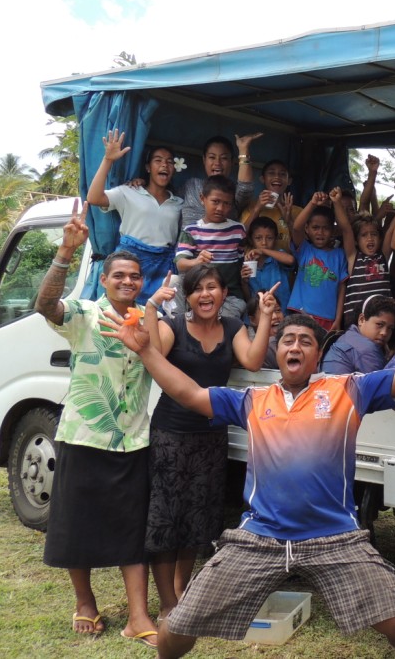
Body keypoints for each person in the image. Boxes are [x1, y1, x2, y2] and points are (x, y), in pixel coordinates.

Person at [102, 286, 395, 659]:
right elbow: (188, 393)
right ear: (277, 352)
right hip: (260, 537)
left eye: (305, 342)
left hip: (334, 537)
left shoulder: (348, 390)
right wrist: (147, 352)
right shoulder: (251, 400)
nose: (295, 346)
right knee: (175, 631)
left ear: (316, 356)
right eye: (288, 340)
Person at [33, 201, 158, 646]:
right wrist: (66, 251)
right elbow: (45, 304)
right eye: (119, 275)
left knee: (133, 529)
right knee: (76, 524)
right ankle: (85, 602)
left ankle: (138, 616)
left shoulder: (149, 321)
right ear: (103, 280)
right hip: (83, 436)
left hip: (133, 440)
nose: (128, 281)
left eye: (135, 276)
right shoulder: (83, 315)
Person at [142, 266, 279, 620]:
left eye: (212, 287)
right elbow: (152, 356)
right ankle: (167, 603)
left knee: (197, 517)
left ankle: (182, 590)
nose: (205, 294)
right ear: (187, 297)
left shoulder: (233, 327)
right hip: (171, 434)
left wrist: (265, 316)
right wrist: (152, 307)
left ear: (224, 293)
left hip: (212, 435)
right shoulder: (173, 326)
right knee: (167, 518)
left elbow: (252, 360)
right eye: (197, 289)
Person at [86, 129, 183, 304]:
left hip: (163, 267)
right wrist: (108, 159)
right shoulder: (128, 192)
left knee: (157, 313)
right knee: (122, 310)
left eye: (169, 162)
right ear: (148, 167)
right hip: (129, 264)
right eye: (158, 160)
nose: (164, 165)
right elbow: (93, 197)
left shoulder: (179, 203)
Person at [175, 176, 248, 319]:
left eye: (226, 203)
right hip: (199, 295)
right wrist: (197, 261)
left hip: (229, 297)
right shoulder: (191, 230)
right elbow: (180, 264)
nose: (220, 208)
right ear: (202, 198)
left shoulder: (238, 230)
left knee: (222, 324)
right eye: (215, 201)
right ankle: (179, 323)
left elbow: (241, 261)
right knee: (174, 282)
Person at [289, 192, 350, 331]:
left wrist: (338, 319)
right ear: (307, 229)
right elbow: (296, 227)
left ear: (333, 231)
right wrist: (312, 203)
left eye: (326, 228)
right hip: (301, 313)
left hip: (328, 318)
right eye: (315, 227)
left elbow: (342, 289)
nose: (320, 233)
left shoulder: (339, 254)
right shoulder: (305, 249)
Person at [335, 187, 392, 327]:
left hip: (382, 323)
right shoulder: (353, 257)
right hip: (356, 325)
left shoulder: (383, 256)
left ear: (380, 238)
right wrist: (336, 202)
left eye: (374, 234)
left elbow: (390, 232)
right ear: (356, 240)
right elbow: (346, 229)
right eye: (364, 235)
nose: (370, 238)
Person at [180, 134, 258, 228]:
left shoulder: (232, 192)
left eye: (224, 158)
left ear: (232, 162)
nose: (217, 163)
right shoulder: (191, 185)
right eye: (212, 157)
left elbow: (246, 188)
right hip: (187, 238)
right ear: (204, 160)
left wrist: (243, 149)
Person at [321, 295, 395, 374]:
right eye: (379, 324)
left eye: (390, 328)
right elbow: (380, 381)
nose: (384, 333)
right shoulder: (366, 349)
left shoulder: (347, 337)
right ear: (361, 319)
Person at [238, 158, 301, 251]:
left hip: (284, 260)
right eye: (271, 173)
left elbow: (302, 246)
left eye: (282, 174)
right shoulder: (252, 206)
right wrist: (257, 209)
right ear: (262, 179)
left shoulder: (297, 211)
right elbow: (240, 238)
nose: (277, 177)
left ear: (289, 181)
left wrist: (289, 221)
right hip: (255, 259)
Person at [243, 216, 294, 310]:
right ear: (251, 240)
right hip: (258, 313)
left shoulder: (278, 257)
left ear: (275, 239)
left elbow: (290, 260)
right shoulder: (249, 262)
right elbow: (248, 298)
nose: (264, 243)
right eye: (258, 238)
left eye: (269, 238)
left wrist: (263, 251)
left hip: (280, 312)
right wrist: (244, 282)